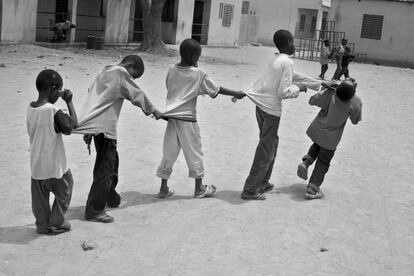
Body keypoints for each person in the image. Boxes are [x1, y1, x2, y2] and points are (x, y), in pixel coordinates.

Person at [74, 55, 162, 223]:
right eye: (134, 75)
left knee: (112, 162)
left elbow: (91, 98)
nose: (132, 79)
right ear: (130, 65)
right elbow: (137, 93)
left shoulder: (103, 72)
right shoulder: (121, 73)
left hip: (97, 127)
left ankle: (109, 194)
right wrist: (154, 110)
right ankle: (95, 210)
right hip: (106, 129)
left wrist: (89, 127)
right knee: (105, 169)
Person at [240, 29, 326, 200]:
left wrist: (319, 83)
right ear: (288, 43)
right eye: (293, 42)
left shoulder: (278, 59)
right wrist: (300, 89)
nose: (294, 45)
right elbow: (283, 92)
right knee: (266, 148)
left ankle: (263, 181)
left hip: (261, 107)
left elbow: (294, 76)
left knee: (271, 144)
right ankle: (250, 189)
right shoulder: (287, 62)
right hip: (271, 110)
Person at [156, 38, 245, 199]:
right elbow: (216, 90)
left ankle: (163, 188)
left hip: (172, 118)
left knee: (168, 153)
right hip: (188, 121)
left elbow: (170, 86)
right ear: (193, 57)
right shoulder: (199, 74)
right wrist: (236, 93)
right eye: (197, 56)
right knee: (194, 152)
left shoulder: (171, 69)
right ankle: (199, 188)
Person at [27, 69, 78, 234]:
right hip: (55, 166)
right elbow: (72, 126)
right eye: (59, 91)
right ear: (54, 89)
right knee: (66, 189)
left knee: (39, 201)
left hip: (37, 166)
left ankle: (42, 225)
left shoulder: (31, 108)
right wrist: (69, 102)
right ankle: (57, 222)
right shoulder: (52, 110)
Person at [297, 78, 362, 199]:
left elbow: (312, 101)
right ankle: (312, 189)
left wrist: (325, 90)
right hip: (331, 138)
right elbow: (355, 120)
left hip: (318, 130)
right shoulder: (356, 101)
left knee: (317, 145)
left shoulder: (331, 93)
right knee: (323, 161)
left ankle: (306, 162)